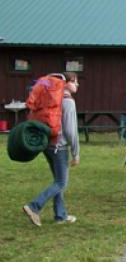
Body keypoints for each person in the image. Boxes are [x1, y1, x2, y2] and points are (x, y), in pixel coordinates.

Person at [23, 72, 80, 227]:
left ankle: (60, 215)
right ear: (66, 83)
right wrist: (76, 153)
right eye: (75, 81)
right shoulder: (68, 102)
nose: (77, 85)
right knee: (61, 182)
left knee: (57, 181)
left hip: (46, 144)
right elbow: (70, 131)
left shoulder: (49, 99)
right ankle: (34, 206)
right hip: (59, 147)